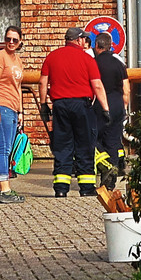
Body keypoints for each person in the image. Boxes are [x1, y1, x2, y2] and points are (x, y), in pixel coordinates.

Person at [37, 27, 111, 198]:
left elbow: (42, 83)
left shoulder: (52, 57)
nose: (86, 43)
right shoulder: (87, 59)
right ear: (79, 40)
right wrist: (105, 108)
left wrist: (43, 105)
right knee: (84, 146)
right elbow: (97, 85)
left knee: (63, 146)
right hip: (81, 106)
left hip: (60, 106)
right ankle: (86, 188)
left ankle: (61, 188)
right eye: (85, 40)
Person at [0, 25, 26, 204]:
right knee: (4, 150)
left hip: (12, 108)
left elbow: (17, 87)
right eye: (8, 39)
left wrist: (20, 111)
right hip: (1, 106)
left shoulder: (17, 60)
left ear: (20, 42)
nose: (11, 42)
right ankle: (6, 190)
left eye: (14, 40)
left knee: (5, 150)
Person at [91, 31, 129, 183]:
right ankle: (109, 182)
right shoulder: (119, 63)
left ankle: (104, 166)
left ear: (97, 45)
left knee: (93, 137)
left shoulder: (94, 63)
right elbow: (127, 89)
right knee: (113, 141)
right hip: (117, 104)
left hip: (100, 105)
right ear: (110, 46)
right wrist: (123, 107)